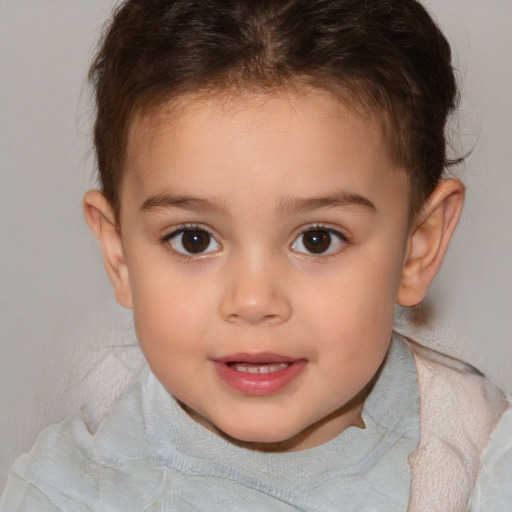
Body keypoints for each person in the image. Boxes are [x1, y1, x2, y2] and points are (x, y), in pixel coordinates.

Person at [1, 0, 510, 510]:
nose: (252, 300)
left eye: (317, 239)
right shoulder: (67, 496)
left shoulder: (480, 456)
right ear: (119, 255)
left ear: (417, 248)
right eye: (193, 239)